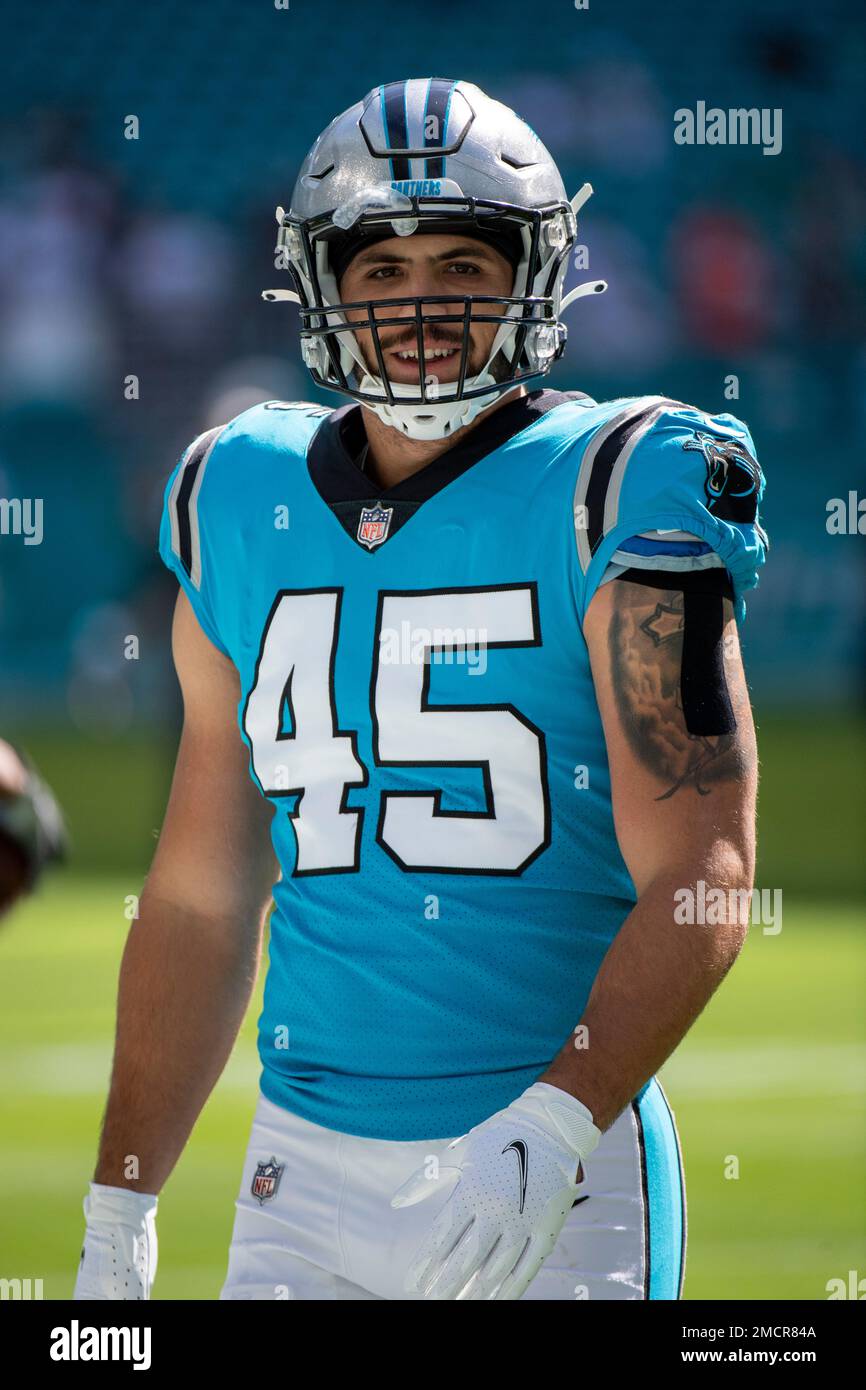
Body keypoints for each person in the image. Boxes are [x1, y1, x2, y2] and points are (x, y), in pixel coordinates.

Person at [75, 79, 767, 1301]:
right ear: (320, 283)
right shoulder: (238, 488)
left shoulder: (618, 482)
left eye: (462, 260)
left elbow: (702, 873)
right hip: (298, 1177)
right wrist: (120, 1202)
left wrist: (558, 1122)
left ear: (534, 274)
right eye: (379, 270)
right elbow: (197, 894)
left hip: (551, 1165)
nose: (421, 306)